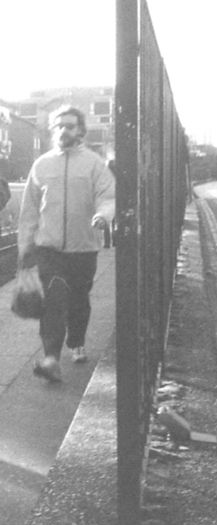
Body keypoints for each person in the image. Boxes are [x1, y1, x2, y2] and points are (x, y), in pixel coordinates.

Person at [17, 105, 115, 383]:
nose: (63, 130)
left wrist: (103, 216)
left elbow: (108, 196)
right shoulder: (42, 165)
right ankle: (50, 359)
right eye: (58, 126)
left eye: (69, 126)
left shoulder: (94, 164)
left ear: (80, 130)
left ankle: (77, 340)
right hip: (49, 249)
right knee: (53, 301)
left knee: (79, 299)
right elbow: (29, 211)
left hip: (84, 248)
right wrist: (26, 248)